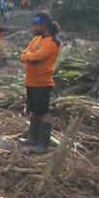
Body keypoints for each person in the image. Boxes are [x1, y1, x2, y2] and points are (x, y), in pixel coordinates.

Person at [19, 12, 62, 154]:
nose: (35, 27)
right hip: (31, 81)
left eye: (37, 24)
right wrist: (28, 56)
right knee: (33, 111)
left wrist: (29, 56)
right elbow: (23, 54)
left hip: (42, 82)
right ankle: (32, 138)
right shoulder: (37, 39)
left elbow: (36, 57)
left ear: (44, 25)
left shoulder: (53, 42)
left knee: (43, 113)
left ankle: (43, 145)